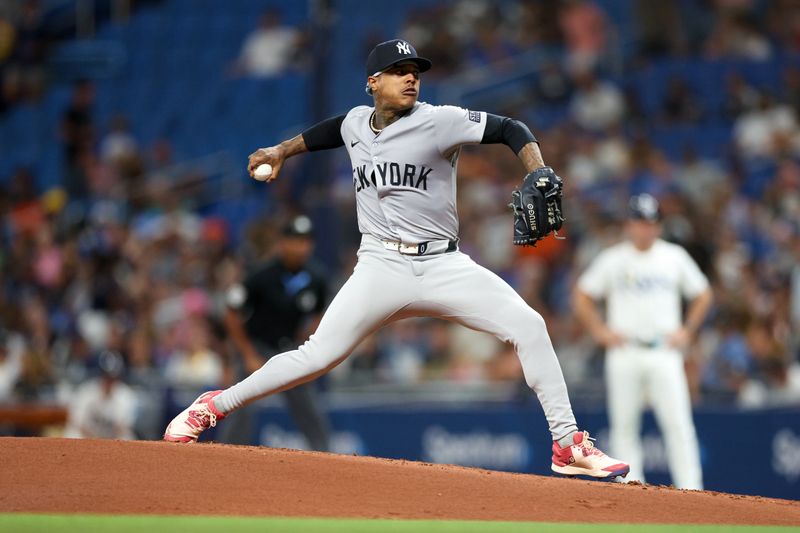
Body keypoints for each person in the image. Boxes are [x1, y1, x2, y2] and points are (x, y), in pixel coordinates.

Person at [165, 39, 629, 479]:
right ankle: (212, 406)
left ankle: (567, 443)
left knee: (529, 325)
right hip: (380, 267)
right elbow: (326, 132)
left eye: (415, 72)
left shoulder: (439, 120)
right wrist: (280, 150)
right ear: (372, 82)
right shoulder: (354, 124)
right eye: (399, 72)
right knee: (316, 357)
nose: (411, 79)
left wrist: (538, 168)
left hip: (445, 265)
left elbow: (511, 128)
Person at [572, 194, 713, 489]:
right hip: (625, 349)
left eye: (650, 223)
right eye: (639, 222)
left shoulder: (673, 256)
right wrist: (600, 331)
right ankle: (631, 491)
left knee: (678, 425)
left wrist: (687, 329)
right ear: (629, 224)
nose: (645, 229)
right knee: (624, 427)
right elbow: (582, 295)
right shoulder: (613, 258)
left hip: (664, 350)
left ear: (658, 226)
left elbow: (703, 293)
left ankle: (692, 490)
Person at [221, 215, 331, 451]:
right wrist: (248, 353)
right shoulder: (262, 274)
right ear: (282, 243)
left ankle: (325, 457)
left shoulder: (316, 278)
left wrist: (307, 339)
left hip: (289, 348)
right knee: (242, 404)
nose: (301, 247)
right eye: (295, 240)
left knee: (308, 408)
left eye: (305, 241)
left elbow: (322, 313)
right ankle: (224, 454)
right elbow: (231, 312)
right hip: (258, 347)